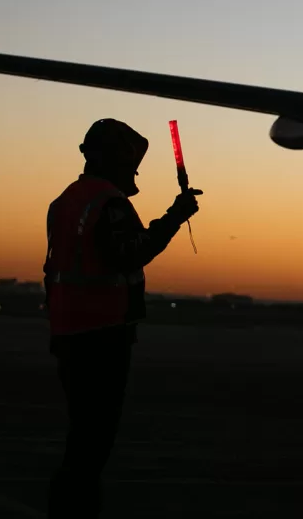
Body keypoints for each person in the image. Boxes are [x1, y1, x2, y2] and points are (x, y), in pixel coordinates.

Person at [43, 118, 200, 519]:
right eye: (132, 164)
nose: (135, 173)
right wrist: (175, 216)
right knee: (93, 443)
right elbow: (131, 252)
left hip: (68, 335)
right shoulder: (110, 204)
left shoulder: (65, 202)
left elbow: (55, 270)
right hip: (103, 337)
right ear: (117, 160)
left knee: (81, 436)